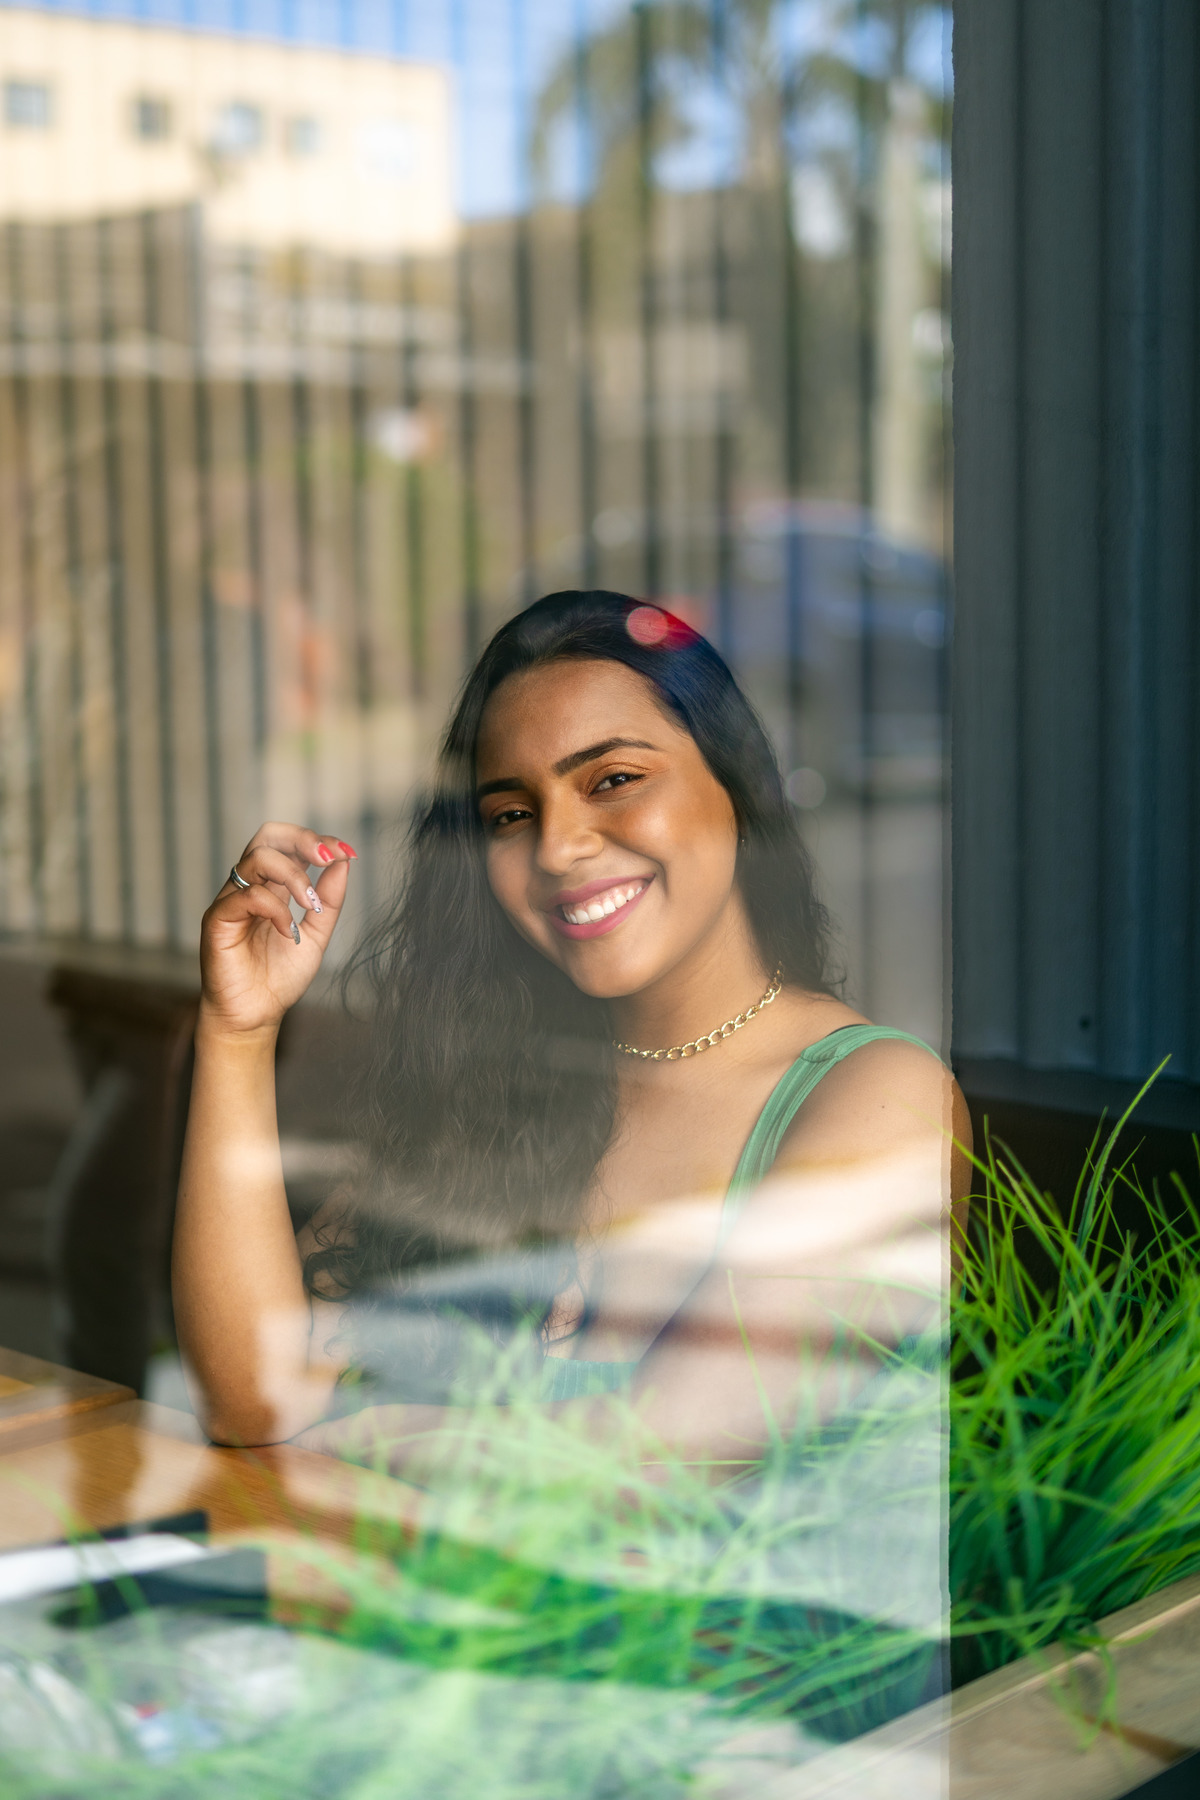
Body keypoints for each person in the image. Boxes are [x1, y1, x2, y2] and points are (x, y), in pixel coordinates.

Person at [173, 590, 970, 1477]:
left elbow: (644, 1462)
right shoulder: (503, 1081)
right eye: (511, 814)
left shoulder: (881, 1096)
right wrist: (238, 1033)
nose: (557, 847)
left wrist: (353, 1434)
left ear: (739, 791)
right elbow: (253, 1399)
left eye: (614, 780)